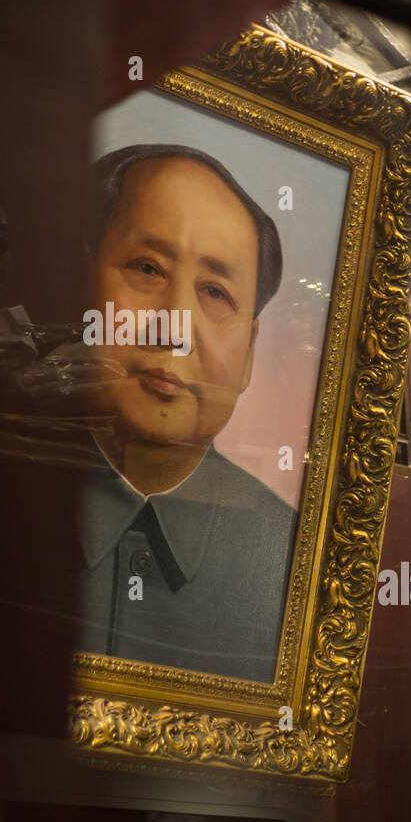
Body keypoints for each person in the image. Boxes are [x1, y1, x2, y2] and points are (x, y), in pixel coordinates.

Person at [77, 143, 297, 683]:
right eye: (147, 268)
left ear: (248, 352)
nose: (175, 324)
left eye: (216, 293)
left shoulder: (302, 567)